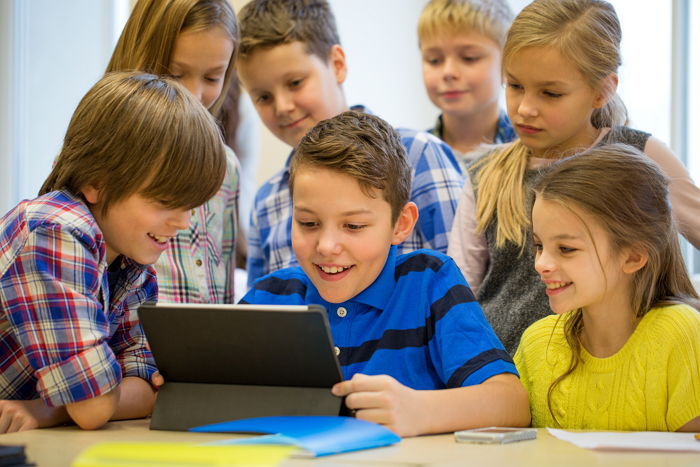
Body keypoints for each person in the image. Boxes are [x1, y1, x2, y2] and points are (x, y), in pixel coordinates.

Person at [241, 111, 529, 437]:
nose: (327, 245)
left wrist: (419, 411)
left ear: (401, 224)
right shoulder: (268, 298)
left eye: (354, 226)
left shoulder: (429, 282)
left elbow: (512, 403)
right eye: (308, 223)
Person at [447, 0, 700, 354]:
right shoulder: (484, 174)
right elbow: (458, 296)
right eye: (515, 85)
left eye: (550, 93)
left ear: (602, 90)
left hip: (622, 371)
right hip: (507, 374)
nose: (524, 108)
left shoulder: (641, 155)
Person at [0, 72, 226, 433]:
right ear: (96, 182)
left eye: (191, 205)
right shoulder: (55, 229)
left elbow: (149, 388)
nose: (183, 223)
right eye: (165, 201)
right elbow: (93, 408)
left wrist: (48, 411)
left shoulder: (132, 263)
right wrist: (80, 403)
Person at [237, 0, 464, 287]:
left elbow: (464, 282)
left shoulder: (418, 155)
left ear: (337, 65)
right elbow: (263, 315)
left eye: (295, 82)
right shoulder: (266, 202)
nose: (282, 106)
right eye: (263, 97)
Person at [514, 144, 700, 431]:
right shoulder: (536, 343)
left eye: (566, 248)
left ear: (633, 257)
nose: (541, 263)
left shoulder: (680, 333)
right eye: (539, 245)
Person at [107, 0, 241, 304]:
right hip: (126, 345)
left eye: (211, 78)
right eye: (176, 74)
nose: (193, 95)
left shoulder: (227, 166)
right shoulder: (106, 154)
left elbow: (224, 288)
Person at [418, 0, 516, 169]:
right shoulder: (409, 155)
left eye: (469, 58)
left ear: (507, 63)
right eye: (434, 60)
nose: (448, 72)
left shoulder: (535, 153)